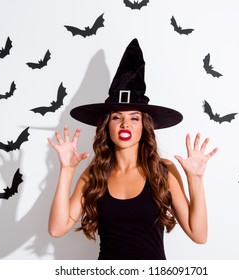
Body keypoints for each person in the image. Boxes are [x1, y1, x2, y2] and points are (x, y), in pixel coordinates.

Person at [47, 39, 218, 259]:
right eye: (117, 117)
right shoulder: (95, 173)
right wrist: (67, 171)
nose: (125, 124)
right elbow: (56, 228)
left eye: (134, 118)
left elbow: (199, 234)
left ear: (144, 126)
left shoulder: (163, 170)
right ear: (106, 126)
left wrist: (195, 178)